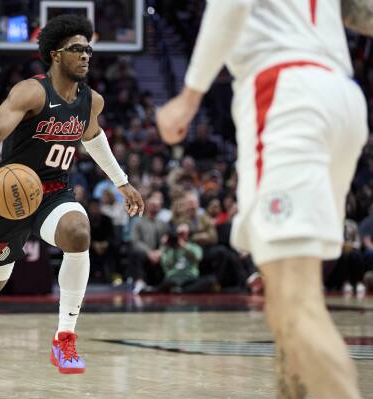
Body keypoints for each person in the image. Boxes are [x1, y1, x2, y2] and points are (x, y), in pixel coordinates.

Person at [156, 1, 372, 397]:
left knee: (295, 301)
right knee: (286, 297)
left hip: (288, 93)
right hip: (340, 95)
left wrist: (189, 96)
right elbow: (359, 12)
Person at [0, 14, 144, 379]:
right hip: (10, 197)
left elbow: (94, 139)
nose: (86, 55)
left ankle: (65, 336)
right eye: (77, 49)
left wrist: (122, 182)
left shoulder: (91, 101)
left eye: (88, 49)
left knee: (79, 231)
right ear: (55, 55)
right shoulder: (30, 92)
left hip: (53, 194)